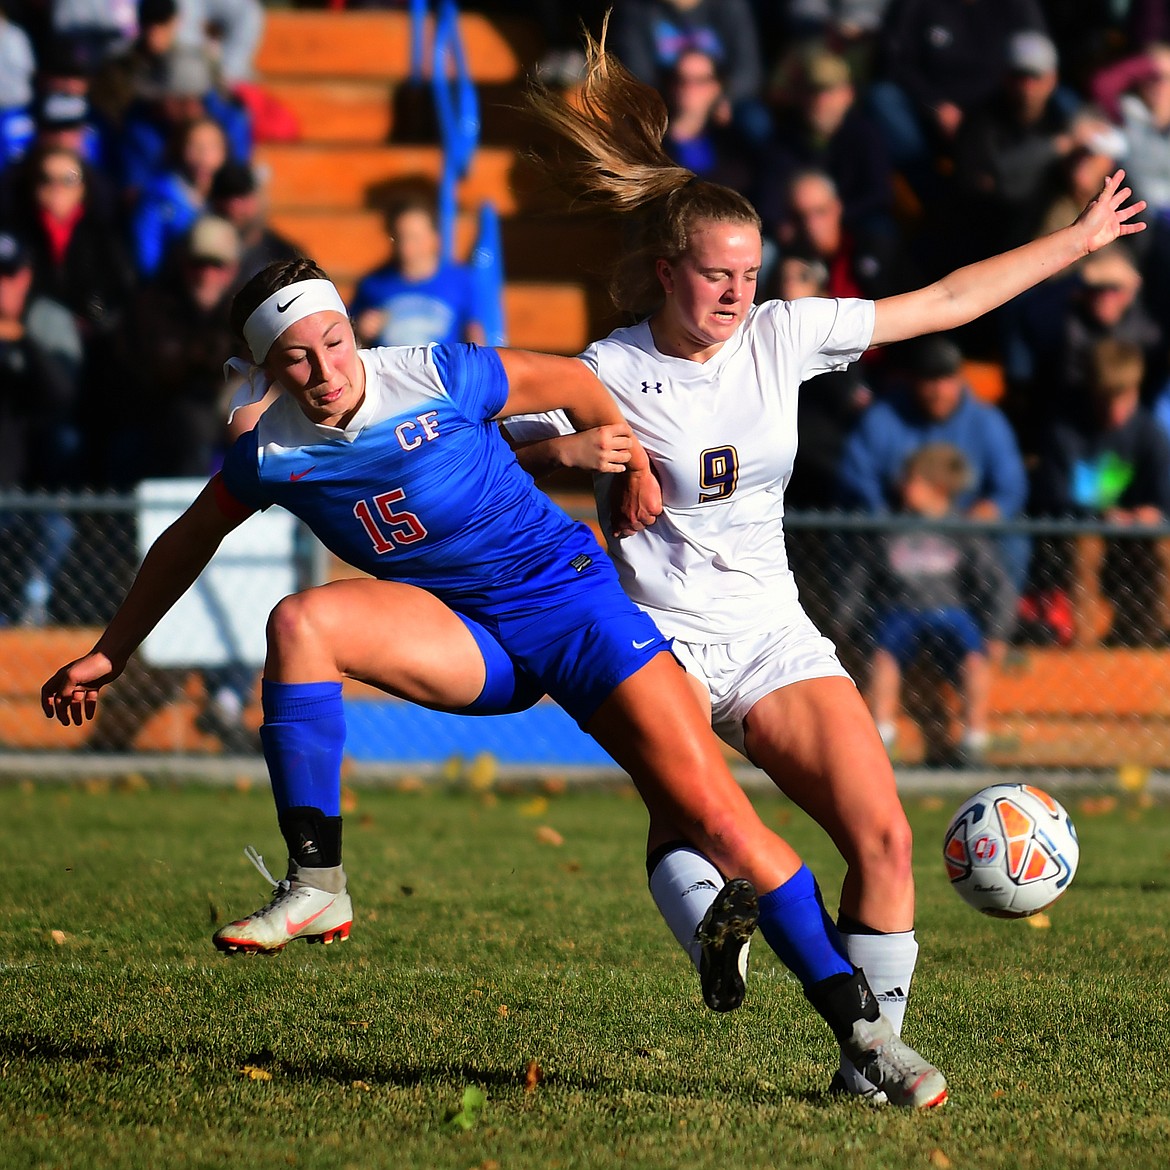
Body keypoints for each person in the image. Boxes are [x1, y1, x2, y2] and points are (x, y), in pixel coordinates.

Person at [40, 255, 951, 1109]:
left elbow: (578, 385)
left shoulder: (441, 371)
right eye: (295, 360)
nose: (324, 370)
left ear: (351, 329)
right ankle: (317, 881)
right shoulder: (268, 451)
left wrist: (624, 456)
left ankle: (866, 1037)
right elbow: (187, 539)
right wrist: (111, 652)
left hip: (576, 610)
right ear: (267, 370)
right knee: (301, 623)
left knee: (716, 819)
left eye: (332, 342)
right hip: (469, 634)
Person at [505, 23, 1143, 1103]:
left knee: (884, 835)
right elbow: (478, 439)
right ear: (666, 271)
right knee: (707, 826)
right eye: (716, 275)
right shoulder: (605, 367)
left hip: (769, 629)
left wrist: (1074, 244)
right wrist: (571, 449)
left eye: (749, 274)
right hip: (650, 639)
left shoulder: (783, 335)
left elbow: (940, 303)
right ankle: (720, 934)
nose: (736, 295)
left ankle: (865, 1062)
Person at [836, 443, 1017, 767]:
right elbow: (860, 579)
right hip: (902, 611)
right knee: (884, 657)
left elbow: (996, 584)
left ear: (938, 488)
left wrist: (997, 632)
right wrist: (844, 623)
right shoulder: (890, 530)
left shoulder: (962, 530)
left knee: (974, 661)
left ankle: (974, 739)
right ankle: (882, 735)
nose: (903, 487)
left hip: (951, 612)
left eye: (912, 481)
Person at [837, 333, 1029, 589]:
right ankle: (854, 627)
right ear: (913, 380)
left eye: (947, 379)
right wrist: (888, 514)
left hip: (967, 530)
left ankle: (995, 628)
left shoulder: (987, 422)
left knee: (1014, 538)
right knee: (847, 536)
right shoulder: (883, 418)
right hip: (898, 527)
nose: (939, 390)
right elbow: (856, 480)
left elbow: (1011, 488)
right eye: (930, 380)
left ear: (960, 378)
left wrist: (986, 513)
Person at [1032, 337, 1170, 646]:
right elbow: (1057, 498)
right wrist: (1103, 514)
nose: (1116, 410)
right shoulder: (1063, 430)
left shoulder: (1149, 433)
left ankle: (1155, 639)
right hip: (1082, 530)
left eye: (1124, 399)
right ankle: (1086, 647)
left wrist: (1150, 514)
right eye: (1106, 399)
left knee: (1166, 546)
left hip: (1135, 534)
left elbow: (1163, 498)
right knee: (1086, 546)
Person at [350, 192, 484, 348]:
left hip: (442, 370)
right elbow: (349, 336)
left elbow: (475, 334)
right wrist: (361, 330)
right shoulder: (373, 284)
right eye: (400, 237)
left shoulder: (461, 281)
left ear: (434, 238)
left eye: (415, 237)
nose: (407, 246)